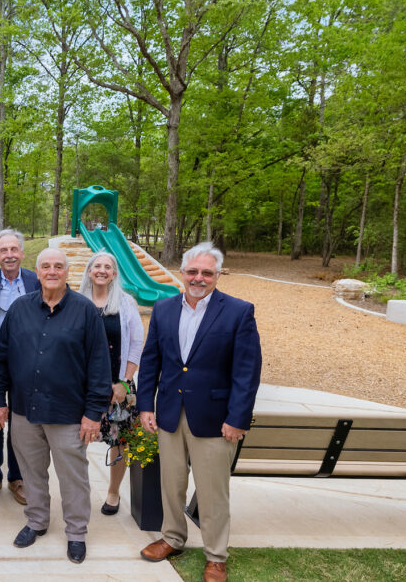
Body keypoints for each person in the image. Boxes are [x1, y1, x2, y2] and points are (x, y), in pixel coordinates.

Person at [137, 242, 262, 582]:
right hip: (170, 413)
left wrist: (237, 419)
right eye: (193, 271)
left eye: (207, 272)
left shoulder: (238, 312)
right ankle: (173, 538)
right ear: (182, 273)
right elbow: (150, 362)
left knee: (212, 492)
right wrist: (145, 405)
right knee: (171, 485)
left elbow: (247, 373)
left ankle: (216, 556)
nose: (199, 278)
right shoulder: (163, 309)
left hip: (215, 419)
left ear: (217, 275)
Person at [0, 248, 111, 564]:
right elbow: (0, 358)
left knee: (73, 476)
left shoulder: (85, 312)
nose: (52, 271)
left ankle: (76, 533)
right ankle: (36, 521)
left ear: (68, 272)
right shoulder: (19, 309)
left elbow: (100, 365)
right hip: (24, 410)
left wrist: (93, 413)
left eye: (59, 266)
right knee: (31, 472)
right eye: (46, 266)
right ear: (37, 271)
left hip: (69, 413)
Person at [0, 228, 39, 505]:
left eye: (14, 250)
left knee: (22, 422)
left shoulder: (38, 281)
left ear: (22, 253)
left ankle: (18, 477)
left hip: (29, 364)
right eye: (4, 250)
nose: (10, 255)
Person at [78, 251, 145, 515]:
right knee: (76, 440)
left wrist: (124, 383)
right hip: (82, 387)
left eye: (108, 266)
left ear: (114, 273)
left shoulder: (126, 303)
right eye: (97, 266)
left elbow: (136, 344)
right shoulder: (75, 301)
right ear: (89, 270)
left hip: (118, 387)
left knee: (119, 441)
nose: (102, 270)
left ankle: (114, 491)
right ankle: (79, 492)